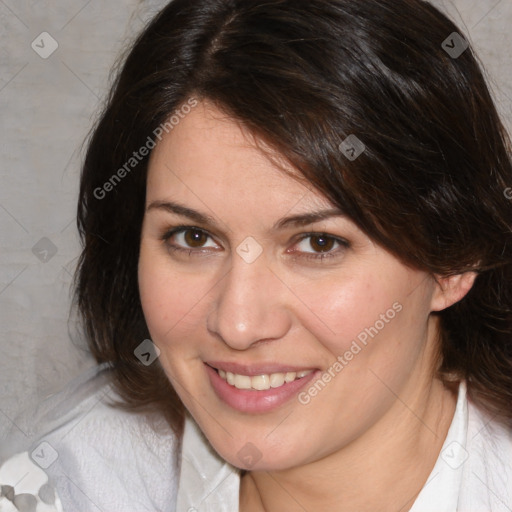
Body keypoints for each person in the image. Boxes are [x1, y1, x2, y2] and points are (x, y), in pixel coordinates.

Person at [1, 0, 511, 510]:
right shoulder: (59, 489)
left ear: (453, 258)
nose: (238, 324)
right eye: (193, 238)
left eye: (318, 243)